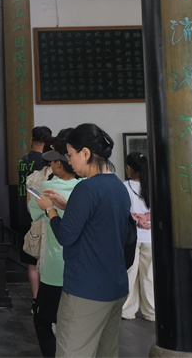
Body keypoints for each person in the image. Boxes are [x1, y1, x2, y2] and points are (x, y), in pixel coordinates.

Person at [36, 123, 130, 357]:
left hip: (86, 288)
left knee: (72, 352)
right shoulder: (118, 186)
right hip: (115, 285)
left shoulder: (86, 188)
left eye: (70, 154)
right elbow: (101, 223)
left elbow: (65, 236)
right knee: (106, 351)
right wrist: (67, 206)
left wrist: (50, 209)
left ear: (85, 153)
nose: (69, 160)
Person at [28, 132, 81, 357]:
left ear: (59, 164)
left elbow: (34, 213)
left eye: (52, 162)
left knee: (43, 320)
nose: (50, 165)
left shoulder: (46, 188)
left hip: (54, 269)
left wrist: (48, 206)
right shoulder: (86, 186)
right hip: (81, 270)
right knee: (77, 323)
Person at [17, 126, 53, 314]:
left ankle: (35, 300)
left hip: (26, 215)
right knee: (46, 259)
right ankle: (47, 301)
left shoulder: (23, 160)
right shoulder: (45, 164)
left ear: (31, 140)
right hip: (43, 216)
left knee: (32, 260)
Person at [122, 152, 155, 322]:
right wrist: (147, 218)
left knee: (130, 274)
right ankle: (151, 311)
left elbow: (122, 211)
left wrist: (136, 219)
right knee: (149, 276)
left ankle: (127, 310)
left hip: (131, 238)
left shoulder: (124, 187)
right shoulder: (153, 186)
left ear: (128, 168)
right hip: (150, 238)